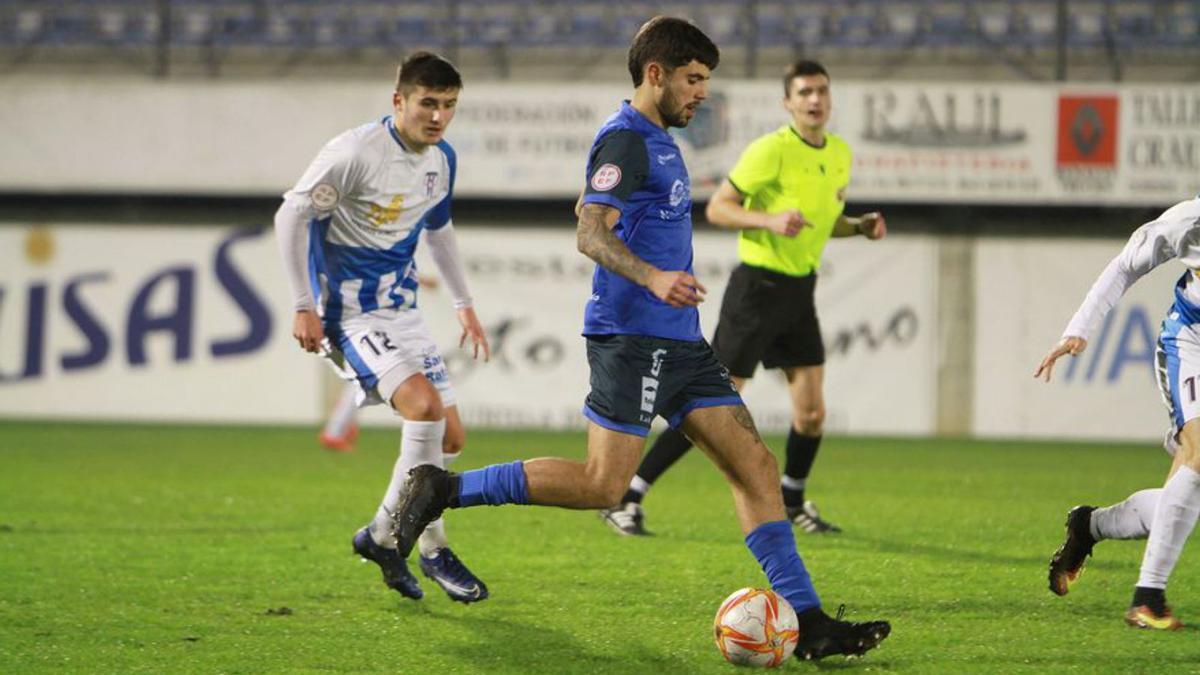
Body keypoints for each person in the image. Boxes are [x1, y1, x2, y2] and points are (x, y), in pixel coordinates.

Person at [391, 18, 890, 660]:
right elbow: (590, 232)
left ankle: (810, 622)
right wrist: (654, 276)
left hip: (680, 343)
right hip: (630, 337)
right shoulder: (625, 138)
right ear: (656, 74)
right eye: (693, 79)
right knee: (604, 484)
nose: (702, 93)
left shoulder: (657, 139)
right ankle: (444, 488)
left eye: (705, 80)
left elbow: (596, 214)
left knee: (755, 467)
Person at [599, 60, 886, 537]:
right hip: (756, 290)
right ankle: (628, 494)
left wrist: (858, 227)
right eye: (804, 92)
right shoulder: (770, 151)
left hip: (799, 291)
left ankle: (793, 500)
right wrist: (769, 221)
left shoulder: (839, 153)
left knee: (812, 412)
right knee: (710, 406)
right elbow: (719, 208)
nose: (814, 100)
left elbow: (822, 221)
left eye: (821, 91)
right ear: (788, 103)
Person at [274, 51, 490, 604]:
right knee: (423, 410)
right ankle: (431, 547)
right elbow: (291, 215)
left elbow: (439, 231)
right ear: (399, 101)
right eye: (428, 103)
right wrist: (303, 304)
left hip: (405, 313)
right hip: (350, 314)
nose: (438, 116)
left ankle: (379, 535)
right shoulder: (354, 153)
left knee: (452, 437)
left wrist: (464, 304)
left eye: (449, 105)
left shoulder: (442, 159)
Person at [1036, 195, 1200, 630]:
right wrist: (1079, 329)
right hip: (1191, 346)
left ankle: (1089, 525)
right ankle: (1148, 600)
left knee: (1175, 506)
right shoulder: (1190, 219)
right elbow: (1127, 263)